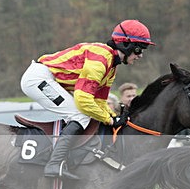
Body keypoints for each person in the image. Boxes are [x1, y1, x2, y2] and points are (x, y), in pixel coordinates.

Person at [20, 19, 154, 179]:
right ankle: (54, 164)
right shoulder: (101, 60)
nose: (140, 55)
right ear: (126, 45)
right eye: (139, 49)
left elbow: (99, 102)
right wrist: (109, 120)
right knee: (80, 114)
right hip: (38, 79)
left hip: (47, 79)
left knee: (85, 114)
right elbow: (83, 100)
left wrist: (114, 117)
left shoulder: (111, 67)